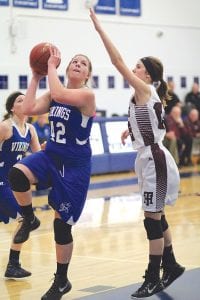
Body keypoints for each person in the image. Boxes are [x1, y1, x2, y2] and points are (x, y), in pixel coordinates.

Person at [90, 9, 185, 299]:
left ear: (147, 74)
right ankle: (171, 264)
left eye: (137, 66)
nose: (132, 68)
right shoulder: (142, 95)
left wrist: (99, 28)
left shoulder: (144, 88)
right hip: (146, 156)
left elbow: (116, 61)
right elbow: (148, 123)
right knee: (156, 215)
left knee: (150, 219)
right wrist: (129, 132)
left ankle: (154, 276)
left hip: (154, 159)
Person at [8, 49, 96, 300]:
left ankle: (61, 280)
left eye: (83, 63)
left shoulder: (86, 95)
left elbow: (59, 93)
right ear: (68, 69)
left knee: (61, 226)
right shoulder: (54, 94)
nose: (78, 64)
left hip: (74, 166)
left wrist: (51, 67)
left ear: (88, 73)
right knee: (17, 174)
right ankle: (29, 218)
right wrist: (36, 77)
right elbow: (28, 108)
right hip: (51, 156)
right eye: (74, 61)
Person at [0, 91, 41, 279]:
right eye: (19, 100)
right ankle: (12, 264)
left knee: (26, 220)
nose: (24, 102)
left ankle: (13, 265)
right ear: (12, 108)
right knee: (26, 219)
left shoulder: (30, 130)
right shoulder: (5, 127)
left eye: (26, 99)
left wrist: (49, 149)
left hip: (14, 183)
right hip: (1, 182)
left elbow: (38, 156)